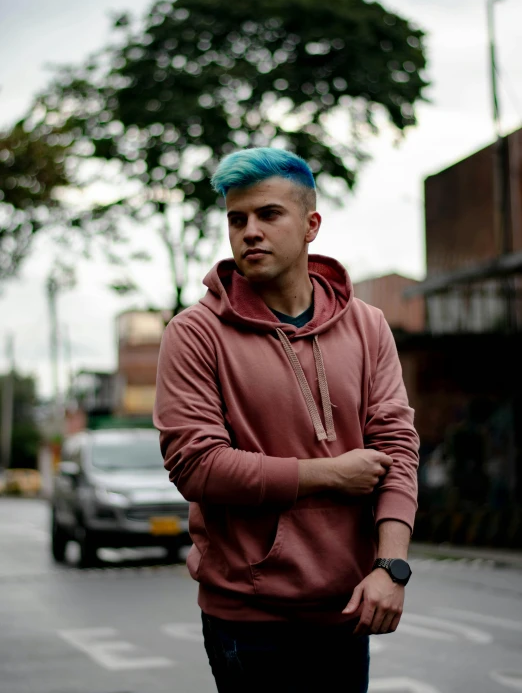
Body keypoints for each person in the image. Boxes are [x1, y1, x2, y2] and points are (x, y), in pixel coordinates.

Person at [154, 147, 419, 693]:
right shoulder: (195, 333)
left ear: (310, 225)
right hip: (247, 616)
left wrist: (390, 567)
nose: (249, 231)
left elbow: (397, 445)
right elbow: (196, 466)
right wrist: (328, 474)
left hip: (349, 606)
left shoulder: (367, 325)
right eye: (237, 218)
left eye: (269, 215)